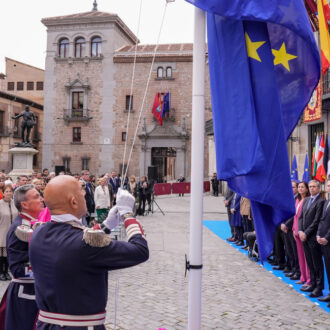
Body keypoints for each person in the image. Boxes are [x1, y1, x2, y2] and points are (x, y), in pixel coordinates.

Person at [29, 175, 149, 329]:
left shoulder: (39, 232)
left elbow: (76, 245)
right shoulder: (84, 244)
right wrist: (127, 214)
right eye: (81, 192)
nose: (85, 194)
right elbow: (140, 250)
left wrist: (106, 225)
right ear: (73, 201)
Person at [0, 184, 44, 330]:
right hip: (25, 295)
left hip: (37, 293)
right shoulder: (19, 228)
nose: (42, 199)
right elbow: (18, 269)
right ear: (24, 204)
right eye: (36, 197)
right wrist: (49, 268)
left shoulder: (36, 223)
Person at [298, 180, 325, 298]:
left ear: (319, 188)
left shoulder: (321, 201)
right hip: (304, 236)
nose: (312, 188)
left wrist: (306, 233)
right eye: (310, 187)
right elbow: (301, 217)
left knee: (317, 263)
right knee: (310, 262)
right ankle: (312, 283)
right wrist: (300, 230)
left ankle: (319, 288)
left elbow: (317, 221)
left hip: (313, 237)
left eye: (314, 186)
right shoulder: (307, 200)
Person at [292, 181, 311, 287]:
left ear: (306, 189)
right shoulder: (298, 200)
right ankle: (302, 277)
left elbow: (304, 218)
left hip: (303, 232)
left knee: (306, 257)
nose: (300, 189)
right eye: (299, 187)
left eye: (302, 187)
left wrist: (300, 230)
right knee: (300, 256)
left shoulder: (307, 200)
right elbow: (295, 217)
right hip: (296, 231)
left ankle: (309, 279)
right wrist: (294, 229)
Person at [0, 185, 19, 281]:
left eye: (10, 191)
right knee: (1, 254)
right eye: (6, 191)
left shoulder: (15, 203)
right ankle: (1, 272)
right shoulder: (0, 204)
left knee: (8, 253)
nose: (8, 193)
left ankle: (6, 272)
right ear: (3, 193)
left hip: (13, 232)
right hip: (2, 231)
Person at [316, 179, 330, 306]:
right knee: (328, 268)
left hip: (328, 240)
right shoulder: (326, 202)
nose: (329, 187)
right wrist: (319, 234)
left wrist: (326, 237)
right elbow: (322, 220)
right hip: (323, 240)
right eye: (329, 186)